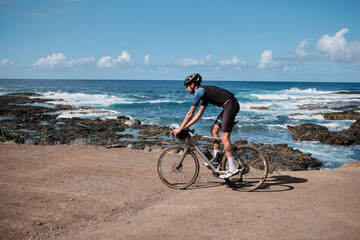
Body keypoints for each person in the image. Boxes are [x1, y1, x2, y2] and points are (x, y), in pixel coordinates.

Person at [171, 73, 240, 179]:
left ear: (193, 84)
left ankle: (232, 168)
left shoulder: (199, 92)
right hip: (228, 105)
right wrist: (185, 126)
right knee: (213, 129)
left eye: (187, 86)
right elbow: (198, 114)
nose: (186, 89)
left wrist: (180, 128)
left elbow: (191, 113)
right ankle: (216, 158)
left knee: (225, 137)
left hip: (231, 105)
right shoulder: (204, 94)